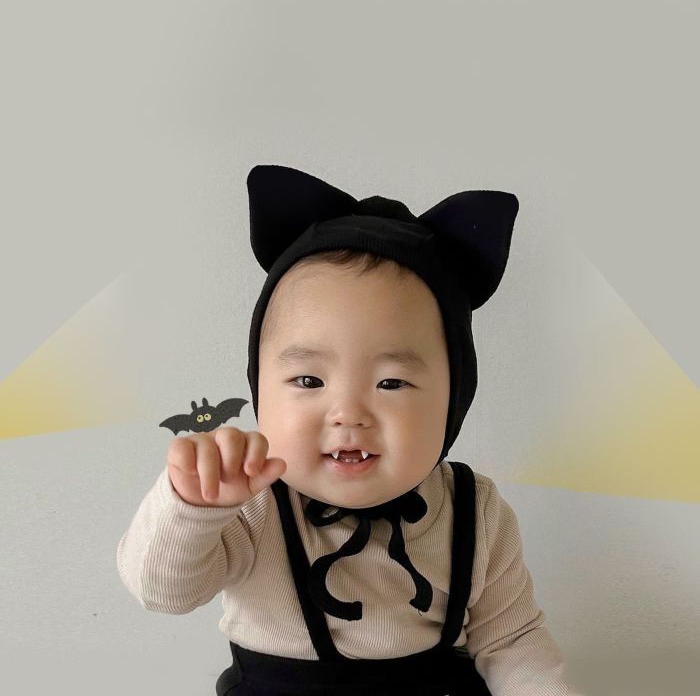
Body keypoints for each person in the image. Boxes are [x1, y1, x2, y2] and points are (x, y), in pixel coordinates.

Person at [117, 164, 586, 695]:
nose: (347, 413)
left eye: (391, 383)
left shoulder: (476, 512)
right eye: (309, 380)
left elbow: (513, 639)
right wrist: (193, 507)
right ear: (260, 391)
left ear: (455, 400)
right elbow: (163, 592)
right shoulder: (251, 504)